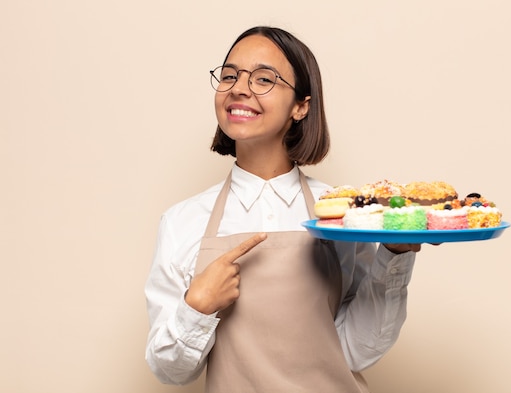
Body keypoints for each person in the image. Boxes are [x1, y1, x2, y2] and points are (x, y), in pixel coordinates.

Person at [144, 26, 423, 393]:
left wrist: (395, 253)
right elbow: (172, 372)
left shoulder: (338, 214)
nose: (239, 88)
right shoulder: (183, 221)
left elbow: (356, 350)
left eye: (264, 79)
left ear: (301, 106)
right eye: (229, 75)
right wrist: (198, 307)